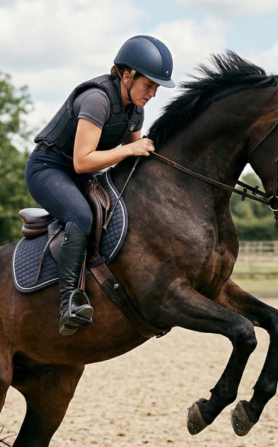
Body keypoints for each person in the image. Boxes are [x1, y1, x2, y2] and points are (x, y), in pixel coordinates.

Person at [25, 35, 175, 335]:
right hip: (49, 169)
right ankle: (69, 301)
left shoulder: (135, 110)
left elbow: (135, 159)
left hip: (81, 176)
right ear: (127, 74)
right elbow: (83, 160)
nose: (154, 93)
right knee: (81, 215)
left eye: (157, 87)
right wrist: (130, 149)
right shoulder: (97, 99)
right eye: (150, 85)